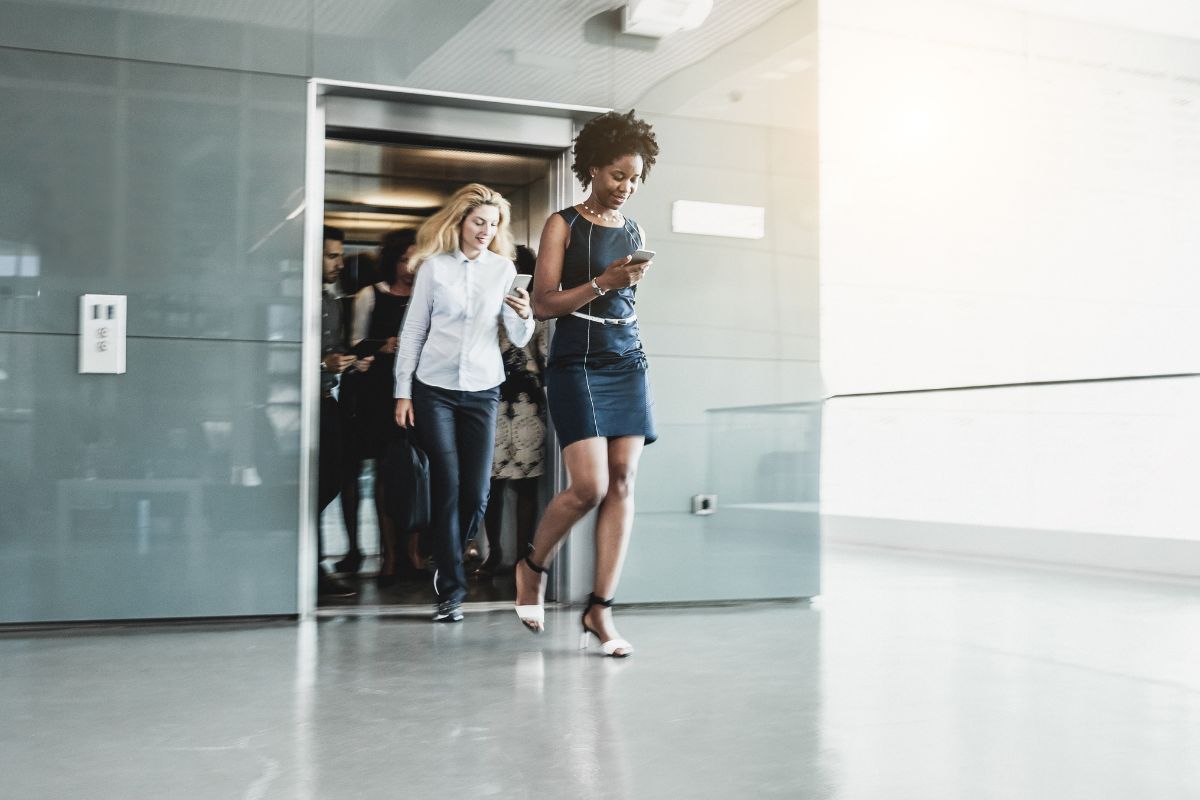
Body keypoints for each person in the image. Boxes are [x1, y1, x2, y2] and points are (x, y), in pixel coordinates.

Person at [513, 110, 659, 657]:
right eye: (618, 174)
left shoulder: (635, 229)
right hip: (576, 362)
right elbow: (545, 304)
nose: (626, 187)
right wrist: (604, 281)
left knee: (622, 483)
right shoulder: (562, 224)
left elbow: (625, 300)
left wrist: (623, 284)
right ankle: (530, 567)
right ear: (594, 168)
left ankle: (600, 610)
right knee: (589, 487)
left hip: (627, 359)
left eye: (635, 178)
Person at [393, 184, 534, 623]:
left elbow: (519, 336)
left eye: (493, 225)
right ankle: (450, 591)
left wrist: (525, 313)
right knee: (448, 483)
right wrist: (403, 391)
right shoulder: (434, 269)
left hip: (482, 389)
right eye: (478, 222)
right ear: (460, 222)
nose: (485, 231)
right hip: (432, 389)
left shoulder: (503, 269)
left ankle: (447, 544)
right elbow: (414, 331)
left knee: (477, 490)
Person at [338, 228, 417, 583]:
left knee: (416, 473)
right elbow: (353, 344)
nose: (410, 267)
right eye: (404, 259)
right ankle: (388, 554)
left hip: (418, 391)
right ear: (392, 260)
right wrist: (383, 345)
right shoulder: (372, 295)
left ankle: (413, 553)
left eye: (416, 259)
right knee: (384, 473)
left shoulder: (428, 295)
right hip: (378, 392)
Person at [476, 244, 550, 577]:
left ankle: (522, 554)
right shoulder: (485, 304)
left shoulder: (537, 306)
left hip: (527, 401)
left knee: (526, 482)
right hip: (492, 394)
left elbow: (545, 352)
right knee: (491, 481)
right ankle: (495, 552)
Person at [317, 225, 373, 597]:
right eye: (331, 255)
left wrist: (350, 363)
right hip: (304, 405)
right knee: (318, 486)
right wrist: (326, 364)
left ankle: (313, 564)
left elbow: (334, 350)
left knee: (334, 478)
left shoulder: (332, 302)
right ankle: (312, 566)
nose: (339, 262)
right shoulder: (297, 299)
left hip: (325, 401)